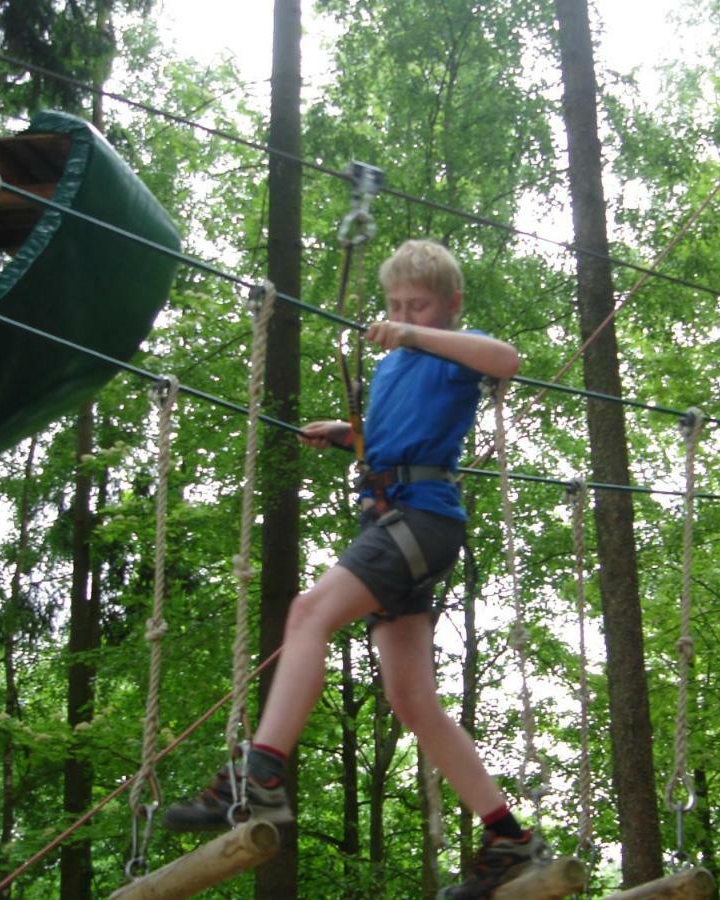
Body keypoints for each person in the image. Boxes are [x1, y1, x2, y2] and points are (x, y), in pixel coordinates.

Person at [164, 239, 546, 897]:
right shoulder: (397, 366)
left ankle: (261, 774)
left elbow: (506, 361)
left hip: (422, 518)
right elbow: (392, 437)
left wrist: (415, 335)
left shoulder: (451, 348)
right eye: (395, 305)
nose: (403, 316)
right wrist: (346, 436)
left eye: (419, 306)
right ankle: (510, 837)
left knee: (309, 611)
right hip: (393, 521)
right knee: (412, 700)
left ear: (450, 307)